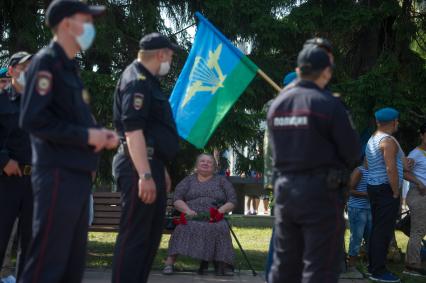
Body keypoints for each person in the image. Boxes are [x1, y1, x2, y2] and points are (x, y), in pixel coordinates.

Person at [18, 1, 118, 282]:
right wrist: (88, 136)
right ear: (65, 24)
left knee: (70, 267)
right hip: (57, 174)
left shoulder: (68, 68)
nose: (90, 27)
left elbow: (70, 119)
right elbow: (33, 119)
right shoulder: (46, 63)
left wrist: (100, 134)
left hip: (75, 175)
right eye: (85, 20)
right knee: (46, 265)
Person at [267, 45, 360, 283]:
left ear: (299, 70)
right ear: (326, 72)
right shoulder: (328, 104)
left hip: (285, 191)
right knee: (320, 267)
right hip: (320, 194)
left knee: (285, 265)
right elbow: (352, 152)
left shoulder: (278, 105)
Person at [111, 32, 180, 283]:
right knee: (134, 238)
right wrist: (145, 174)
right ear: (161, 54)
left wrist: (157, 168)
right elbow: (133, 130)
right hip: (136, 166)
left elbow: (149, 132)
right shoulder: (137, 80)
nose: (170, 61)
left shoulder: (149, 81)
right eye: (170, 56)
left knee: (149, 240)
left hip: (150, 163)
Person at [163, 153, 237, 275]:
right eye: (202, 161)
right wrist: (187, 211)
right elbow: (177, 199)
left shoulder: (222, 180)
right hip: (192, 215)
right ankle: (169, 262)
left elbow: (232, 200)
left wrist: (220, 211)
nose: (205, 163)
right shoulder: (188, 180)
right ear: (197, 165)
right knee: (182, 227)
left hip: (215, 216)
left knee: (220, 227)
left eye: (209, 162)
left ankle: (223, 264)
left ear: (214, 166)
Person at [365, 107, 409, 283]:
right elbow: (390, 168)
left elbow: (367, 164)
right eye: (397, 121)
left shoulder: (372, 139)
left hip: (374, 188)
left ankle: (372, 267)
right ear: (394, 122)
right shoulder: (388, 141)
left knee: (377, 229)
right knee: (383, 232)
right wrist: (396, 191)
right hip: (386, 190)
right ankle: (378, 271)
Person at [0, 52, 33, 282]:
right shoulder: (1, 100)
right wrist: (3, 160)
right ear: (11, 71)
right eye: (23, 68)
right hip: (6, 180)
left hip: (33, 181)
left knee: (30, 242)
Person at [402, 122, 426, 277]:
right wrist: (419, 182)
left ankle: (416, 261)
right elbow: (404, 172)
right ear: (422, 135)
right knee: (417, 230)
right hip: (419, 194)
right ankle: (411, 266)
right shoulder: (415, 153)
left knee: (421, 230)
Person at [347, 160, 372, 268]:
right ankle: (351, 264)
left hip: (370, 209)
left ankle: (370, 263)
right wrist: (366, 194)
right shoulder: (359, 171)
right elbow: (349, 190)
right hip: (357, 209)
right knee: (357, 237)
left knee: (370, 237)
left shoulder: (374, 171)